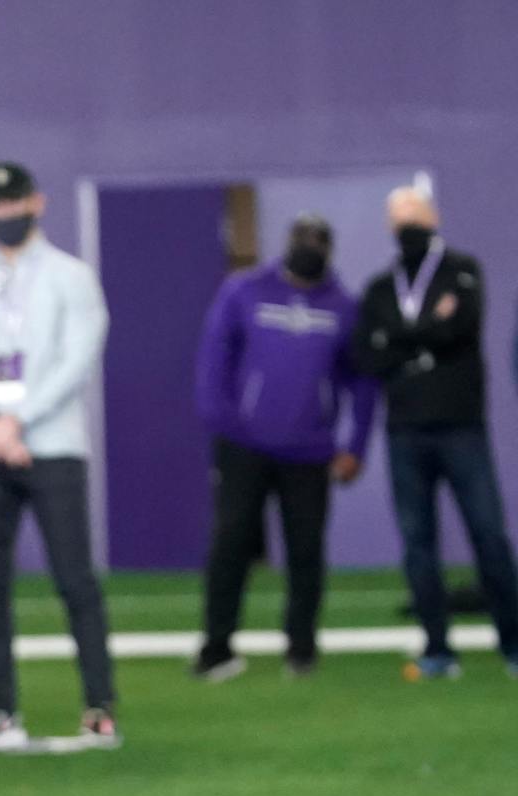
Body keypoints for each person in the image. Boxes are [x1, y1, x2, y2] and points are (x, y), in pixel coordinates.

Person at [0, 161, 116, 751]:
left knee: (74, 579)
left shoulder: (72, 277)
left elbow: (77, 358)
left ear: (36, 203)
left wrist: (20, 418)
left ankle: (99, 707)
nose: (7, 217)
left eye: (16, 206)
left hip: (53, 442)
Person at [192, 215, 379, 681]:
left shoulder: (344, 307)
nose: (309, 248)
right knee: (231, 541)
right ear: (288, 243)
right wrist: (223, 420)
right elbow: (214, 357)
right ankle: (217, 647)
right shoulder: (244, 291)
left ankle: (301, 649)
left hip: (310, 450)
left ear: (329, 250)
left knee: (306, 550)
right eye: (303, 240)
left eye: (318, 242)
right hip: (243, 446)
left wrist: (354, 444)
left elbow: (363, 381)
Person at [352, 187, 518, 679]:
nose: (408, 225)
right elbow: (368, 355)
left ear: (434, 217)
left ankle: (513, 642)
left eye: (415, 215)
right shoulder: (382, 287)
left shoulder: (462, 271)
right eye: (398, 217)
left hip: (461, 426)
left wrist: (401, 340)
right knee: (418, 543)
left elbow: (460, 328)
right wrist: (427, 334)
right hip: (405, 430)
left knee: (488, 535)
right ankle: (438, 649)